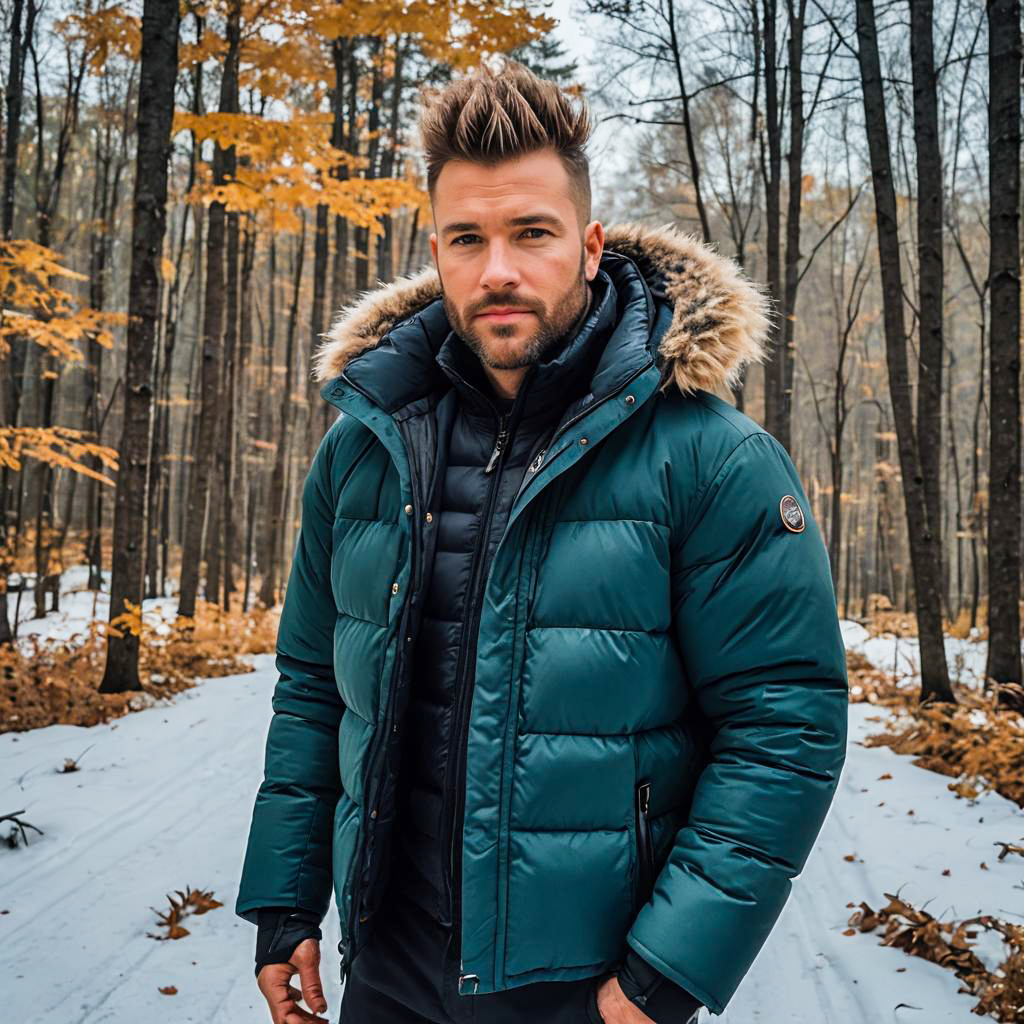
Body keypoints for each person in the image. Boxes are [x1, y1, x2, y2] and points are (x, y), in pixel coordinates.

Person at [235, 59, 849, 1024]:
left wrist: (661, 979)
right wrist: (283, 903)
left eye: (532, 233)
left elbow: (784, 723)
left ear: (592, 243)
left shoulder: (712, 460)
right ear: (434, 250)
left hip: (589, 988)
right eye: (467, 240)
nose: (499, 270)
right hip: (385, 972)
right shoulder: (364, 451)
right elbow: (315, 688)